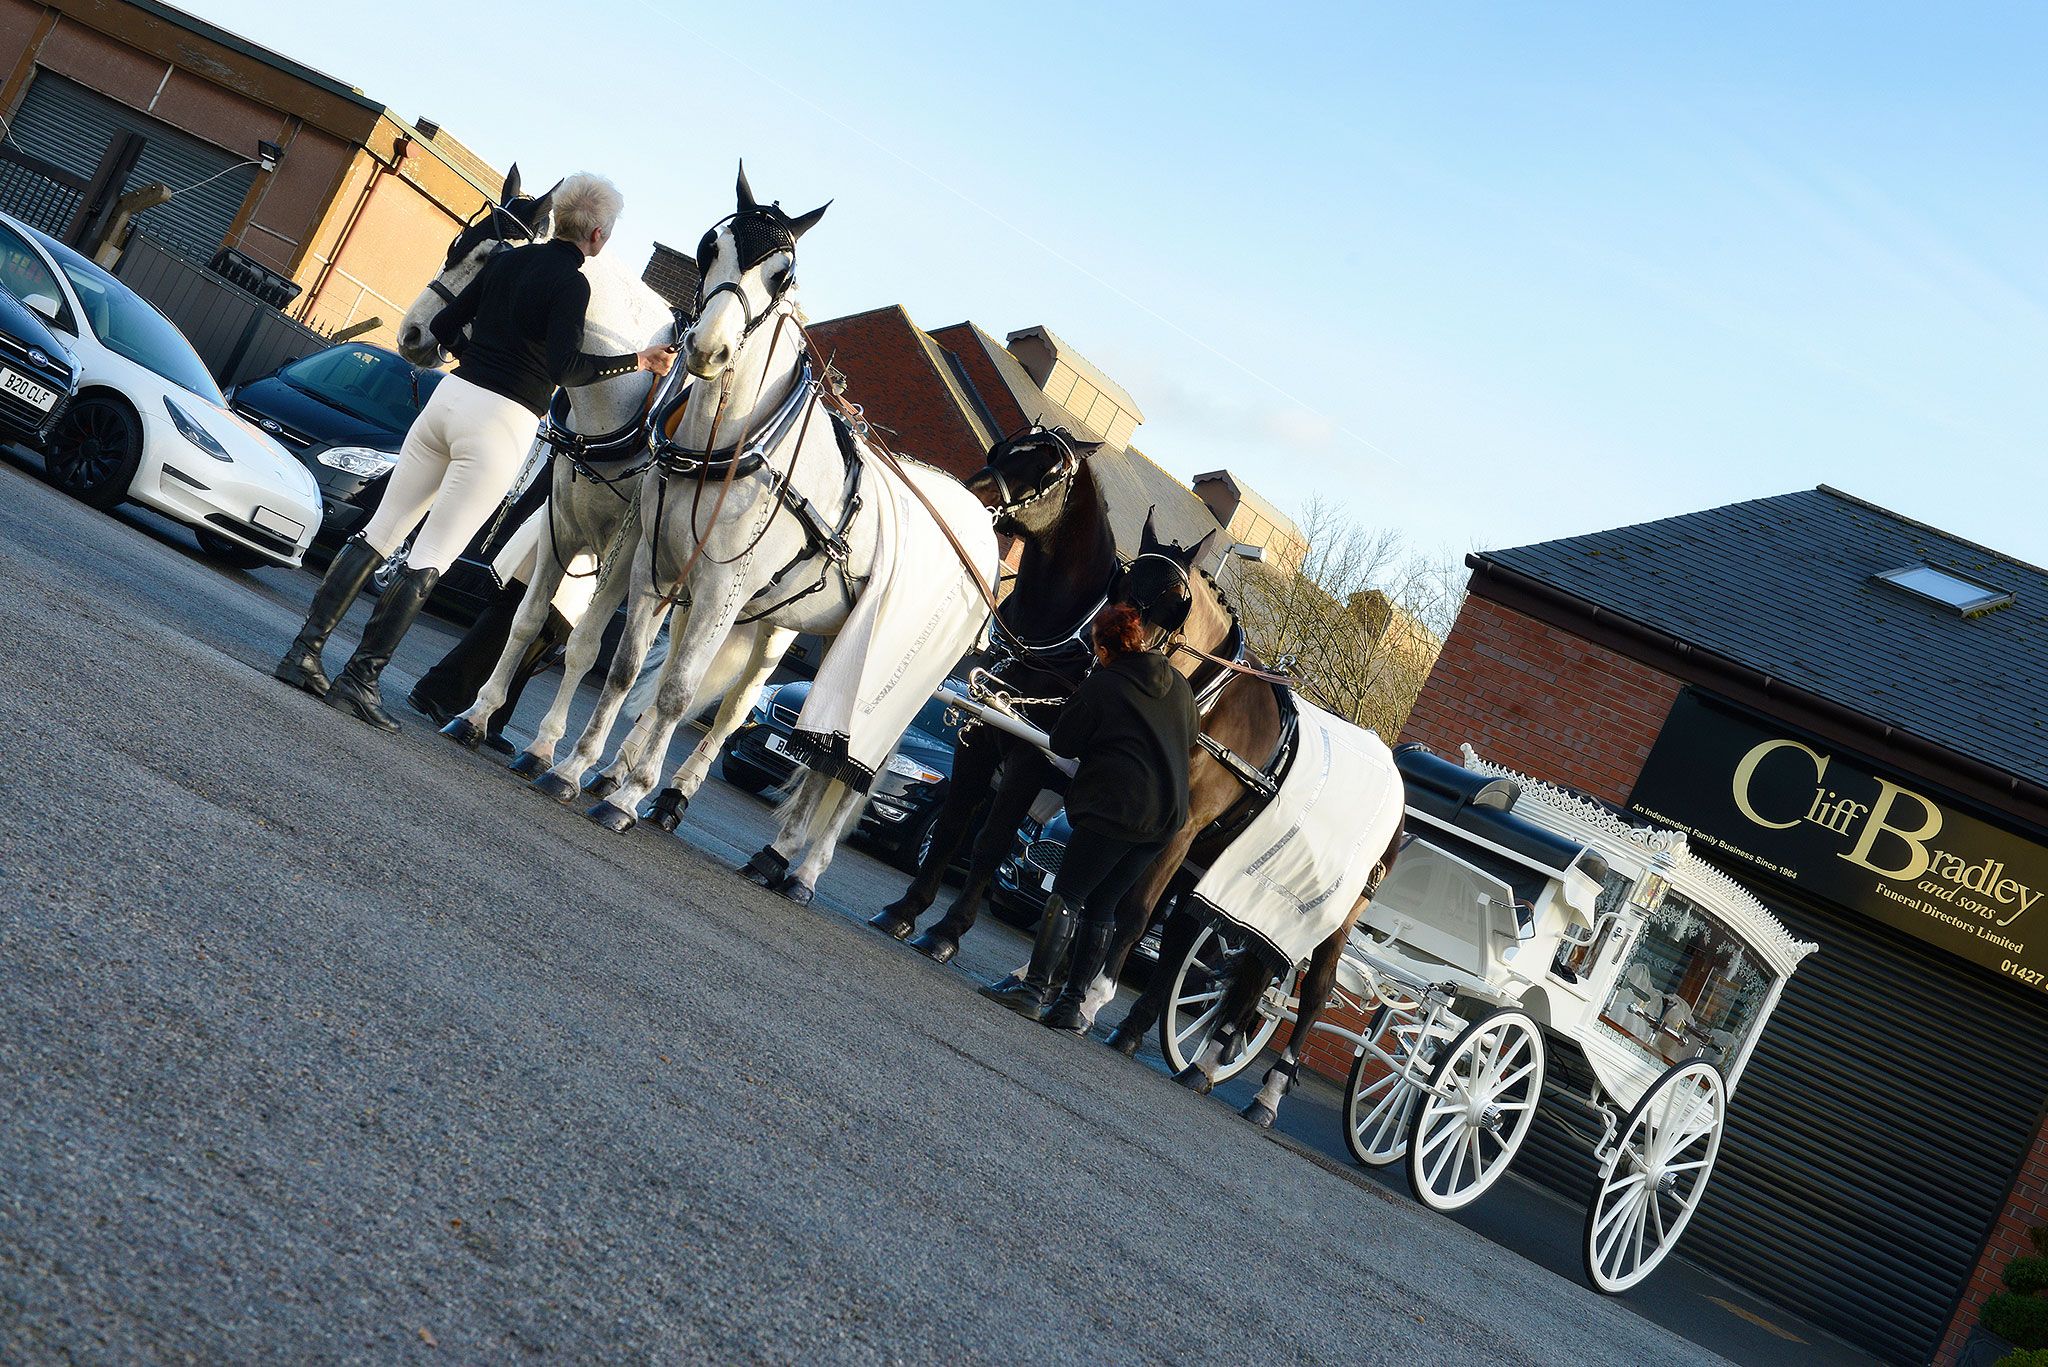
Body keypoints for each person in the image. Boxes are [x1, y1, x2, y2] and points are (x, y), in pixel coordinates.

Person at [274, 172, 673, 731]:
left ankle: (303, 654)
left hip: (450, 399)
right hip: (502, 422)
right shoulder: (573, 285)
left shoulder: (506, 263)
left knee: (380, 531)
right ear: (598, 235)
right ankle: (359, 680)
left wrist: (479, 357)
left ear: (557, 217)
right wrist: (637, 362)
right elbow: (565, 369)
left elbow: (441, 324)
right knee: (430, 555)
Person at [981, 600, 1197, 1032]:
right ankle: (1072, 1007)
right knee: (1104, 906)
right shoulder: (1179, 686)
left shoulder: (1103, 685)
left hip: (1113, 809)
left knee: (1068, 895)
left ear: (1103, 647)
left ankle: (1032, 990)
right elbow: (1188, 741)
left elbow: (1063, 742)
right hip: (1165, 820)